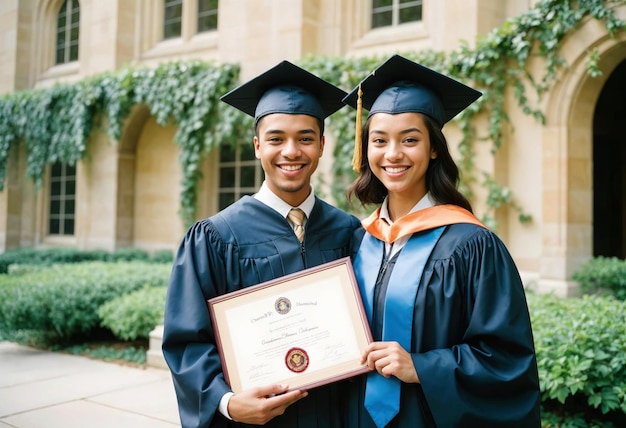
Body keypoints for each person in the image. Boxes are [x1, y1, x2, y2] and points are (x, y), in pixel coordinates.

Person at [341, 54, 541, 427]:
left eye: (410, 140)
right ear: (365, 150)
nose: (393, 154)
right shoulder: (358, 241)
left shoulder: (472, 246)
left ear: (434, 148)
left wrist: (421, 367)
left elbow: (506, 359)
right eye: (379, 141)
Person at [162, 60, 361, 428]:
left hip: (336, 415)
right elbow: (187, 342)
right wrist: (225, 402)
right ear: (257, 146)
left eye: (304, 138)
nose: (291, 151)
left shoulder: (347, 231)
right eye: (276, 138)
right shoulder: (216, 237)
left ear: (321, 145)